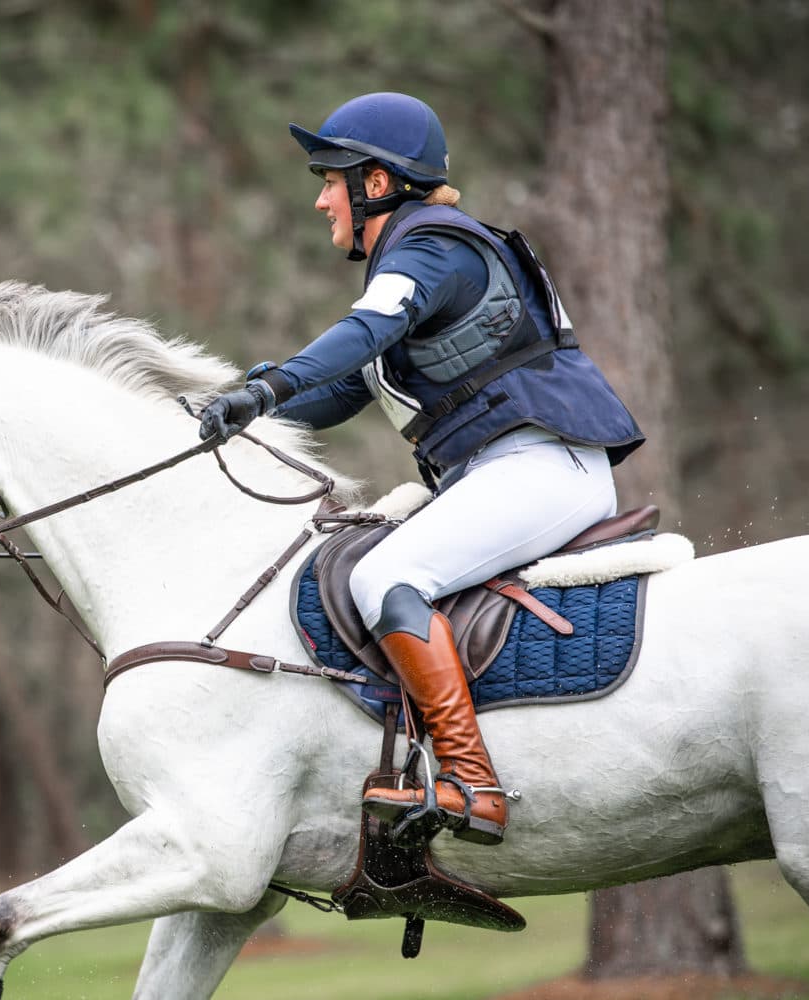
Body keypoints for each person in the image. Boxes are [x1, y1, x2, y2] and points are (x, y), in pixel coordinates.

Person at [198, 92, 644, 846]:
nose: (319, 200)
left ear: (377, 184)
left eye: (329, 180)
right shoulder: (415, 260)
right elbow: (340, 389)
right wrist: (221, 413)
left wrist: (268, 385)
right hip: (510, 469)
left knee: (385, 579)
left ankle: (473, 782)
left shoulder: (434, 246)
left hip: (543, 464)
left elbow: (361, 332)